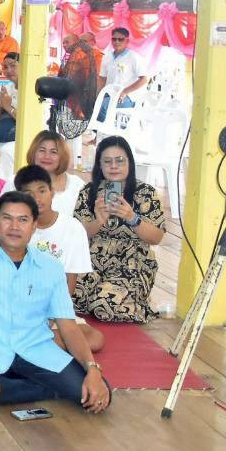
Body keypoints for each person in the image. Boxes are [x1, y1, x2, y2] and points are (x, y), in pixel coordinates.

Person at [0, 192, 111, 412]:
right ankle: (51, 390)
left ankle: (30, 386)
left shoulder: (51, 267)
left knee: (99, 394)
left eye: (23, 220)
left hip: (36, 350)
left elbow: (67, 326)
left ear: (34, 226)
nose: (15, 226)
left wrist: (92, 369)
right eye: (7, 218)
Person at [73, 136, 165, 323]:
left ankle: (131, 298)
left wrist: (132, 218)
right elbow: (77, 235)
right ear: (99, 165)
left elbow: (156, 237)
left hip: (132, 262)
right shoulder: (89, 191)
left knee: (104, 304)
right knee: (70, 296)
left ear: (130, 163)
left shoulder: (145, 193)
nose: (113, 166)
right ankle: (100, 295)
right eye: (107, 161)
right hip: (93, 260)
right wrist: (98, 221)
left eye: (119, 160)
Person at [15, 166, 105, 353]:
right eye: (29, 193)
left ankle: (26, 344)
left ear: (52, 192)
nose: (37, 198)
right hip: (18, 307)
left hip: (54, 309)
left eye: (42, 190)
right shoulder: (14, 227)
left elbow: (69, 280)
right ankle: (31, 342)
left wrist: (53, 316)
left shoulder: (72, 228)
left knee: (95, 339)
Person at [27, 130, 83, 219]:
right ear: (33, 153)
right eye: (42, 150)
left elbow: (84, 226)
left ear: (62, 156)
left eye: (53, 152)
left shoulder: (77, 185)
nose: (46, 156)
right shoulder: (16, 182)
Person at [0, 52, 19, 145]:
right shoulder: (7, 88)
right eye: (5, 67)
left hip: (19, 138)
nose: (8, 70)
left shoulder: (31, 89)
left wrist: (9, 107)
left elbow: (28, 121)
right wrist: (0, 106)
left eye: (13, 66)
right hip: (1, 136)